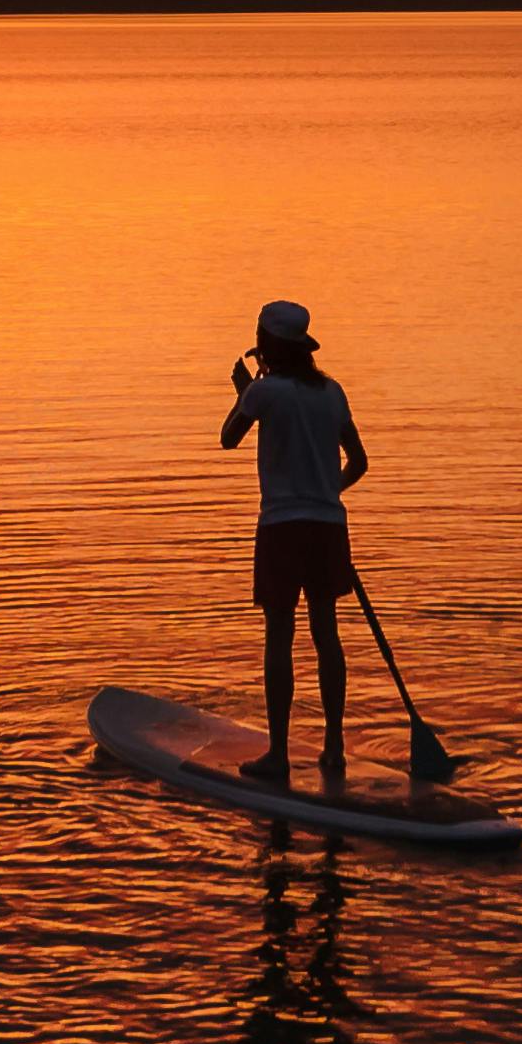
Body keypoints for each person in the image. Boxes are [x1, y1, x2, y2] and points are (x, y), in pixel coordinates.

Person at [216, 298, 370, 785]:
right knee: (327, 635)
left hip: (282, 526)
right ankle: (334, 748)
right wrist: (324, 493)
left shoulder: (266, 393)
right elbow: (358, 462)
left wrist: (245, 394)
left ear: (267, 347)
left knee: (279, 637)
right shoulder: (332, 392)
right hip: (328, 526)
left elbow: (228, 437)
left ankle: (279, 754)